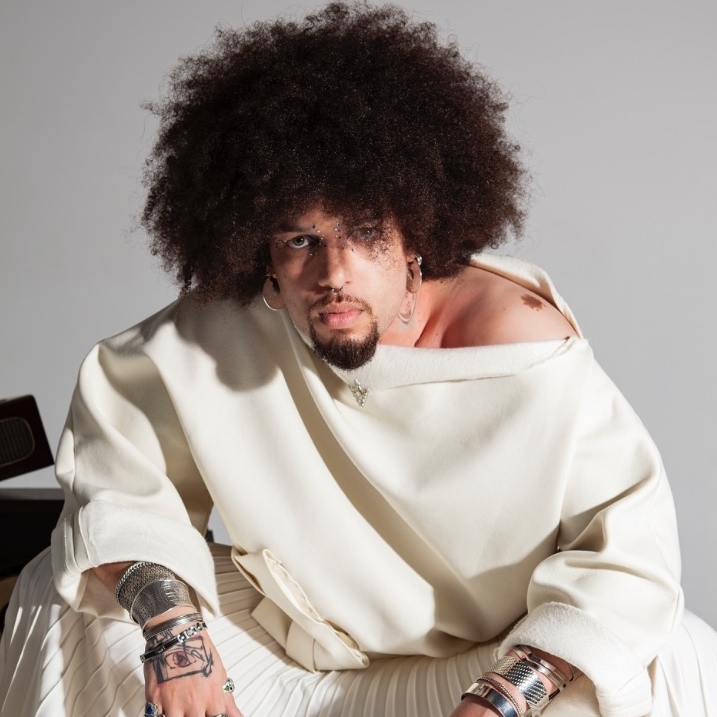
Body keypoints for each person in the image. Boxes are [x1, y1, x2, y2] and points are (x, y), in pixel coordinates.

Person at [1, 2, 715, 716]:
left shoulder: (517, 342)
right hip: (292, 651)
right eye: (301, 240)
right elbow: (119, 475)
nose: (334, 273)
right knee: (59, 591)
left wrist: (501, 699)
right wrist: (174, 636)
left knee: (658, 657)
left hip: (493, 667)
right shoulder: (231, 327)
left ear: (417, 234)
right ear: (262, 252)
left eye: (366, 233)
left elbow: (626, 556)